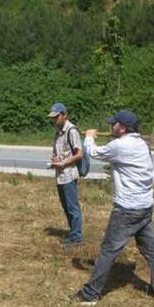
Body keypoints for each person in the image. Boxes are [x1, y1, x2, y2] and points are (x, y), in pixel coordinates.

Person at [70, 110, 154, 305]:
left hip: (127, 210)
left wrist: (89, 137)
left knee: (108, 250)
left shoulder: (120, 145)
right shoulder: (141, 144)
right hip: (145, 208)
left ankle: (90, 294)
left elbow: (92, 152)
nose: (111, 126)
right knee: (152, 250)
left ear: (122, 128)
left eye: (114, 123)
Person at [48, 102, 84, 247]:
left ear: (64, 115)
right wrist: (55, 160)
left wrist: (63, 163)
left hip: (69, 174)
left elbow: (79, 154)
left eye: (56, 117)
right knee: (66, 206)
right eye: (52, 118)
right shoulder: (58, 131)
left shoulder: (71, 130)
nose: (54, 120)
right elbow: (60, 153)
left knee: (72, 206)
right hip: (60, 175)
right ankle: (73, 234)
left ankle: (77, 238)